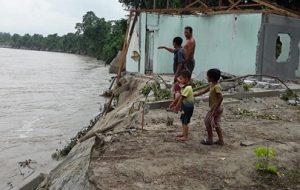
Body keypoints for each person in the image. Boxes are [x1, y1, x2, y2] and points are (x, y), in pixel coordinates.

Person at [194, 69, 224, 146]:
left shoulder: (216, 87)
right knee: (216, 123)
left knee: (207, 121)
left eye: (207, 76)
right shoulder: (212, 85)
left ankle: (210, 139)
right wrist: (196, 94)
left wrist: (215, 108)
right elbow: (204, 91)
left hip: (216, 108)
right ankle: (220, 140)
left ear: (212, 78)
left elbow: (220, 97)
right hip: (217, 108)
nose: (206, 77)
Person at [169, 70, 194, 142]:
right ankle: (183, 133)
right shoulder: (184, 87)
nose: (179, 80)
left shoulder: (188, 88)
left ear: (187, 79)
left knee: (185, 121)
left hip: (187, 108)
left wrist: (176, 107)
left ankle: (185, 136)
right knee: (183, 120)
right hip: (185, 107)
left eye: (181, 78)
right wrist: (173, 103)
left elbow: (181, 98)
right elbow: (179, 96)